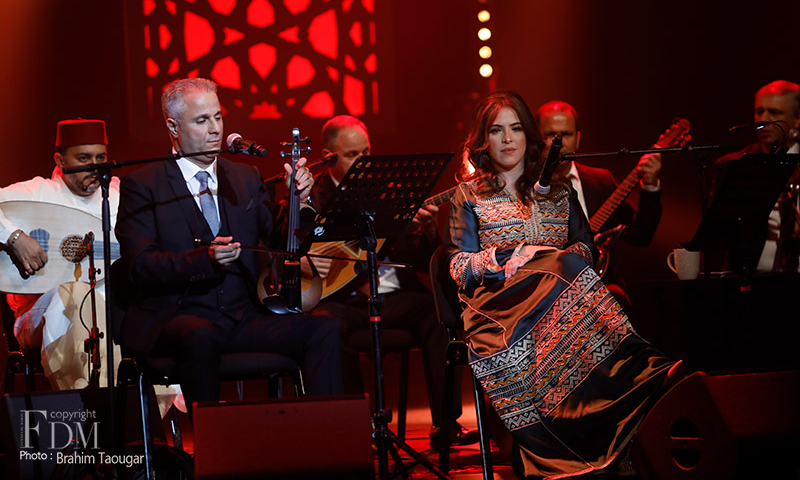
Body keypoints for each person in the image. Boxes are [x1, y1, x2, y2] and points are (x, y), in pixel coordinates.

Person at [445, 90, 682, 479]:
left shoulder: (558, 190)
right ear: (483, 140)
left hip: (562, 296)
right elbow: (458, 266)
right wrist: (510, 255)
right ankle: (642, 372)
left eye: (515, 128)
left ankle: (611, 429)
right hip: (501, 307)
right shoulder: (469, 195)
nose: (507, 139)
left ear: (529, 136)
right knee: (561, 264)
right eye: (496, 131)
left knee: (566, 263)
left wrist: (549, 259)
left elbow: (586, 248)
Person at [114, 77, 343, 410]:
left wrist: (299, 201)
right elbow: (139, 266)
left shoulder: (245, 177)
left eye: (218, 117)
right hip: (176, 317)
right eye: (202, 120)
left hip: (241, 316)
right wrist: (205, 258)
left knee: (324, 329)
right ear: (173, 127)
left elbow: (283, 244)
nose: (215, 129)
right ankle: (212, 442)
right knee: (200, 335)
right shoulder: (143, 185)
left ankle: (328, 436)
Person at [307, 115, 478, 449]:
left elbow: (420, 261)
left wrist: (428, 230)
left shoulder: (389, 192)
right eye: (353, 155)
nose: (363, 162)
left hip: (392, 295)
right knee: (324, 327)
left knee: (438, 315)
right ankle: (359, 428)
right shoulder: (312, 195)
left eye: (366, 153)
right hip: (340, 301)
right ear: (328, 157)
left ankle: (447, 425)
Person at [0, 119, 121, 390]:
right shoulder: (37, 193)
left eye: (100, 158)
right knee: (75, 293)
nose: (94, 166)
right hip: (37, 314)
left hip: (111, 313)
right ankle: (84, 399)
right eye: (83, 158)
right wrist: (14, 237)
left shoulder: (118, 196)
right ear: (60, 160)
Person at [534, 101, 663, 308]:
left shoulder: (600, 181)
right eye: (550, 135)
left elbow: (640, 236)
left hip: (599, 291)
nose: (559, 143)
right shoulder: (523, 185)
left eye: (566, 134)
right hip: (542, 293)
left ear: (578, 139)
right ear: (535, 139)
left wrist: (650, 185)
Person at [712, 80, 800, 274]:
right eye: (760, 111)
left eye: (774, 112)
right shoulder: (733, 165)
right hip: (752, 277)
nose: (763, 119)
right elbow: (718, 232)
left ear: (797, 119)